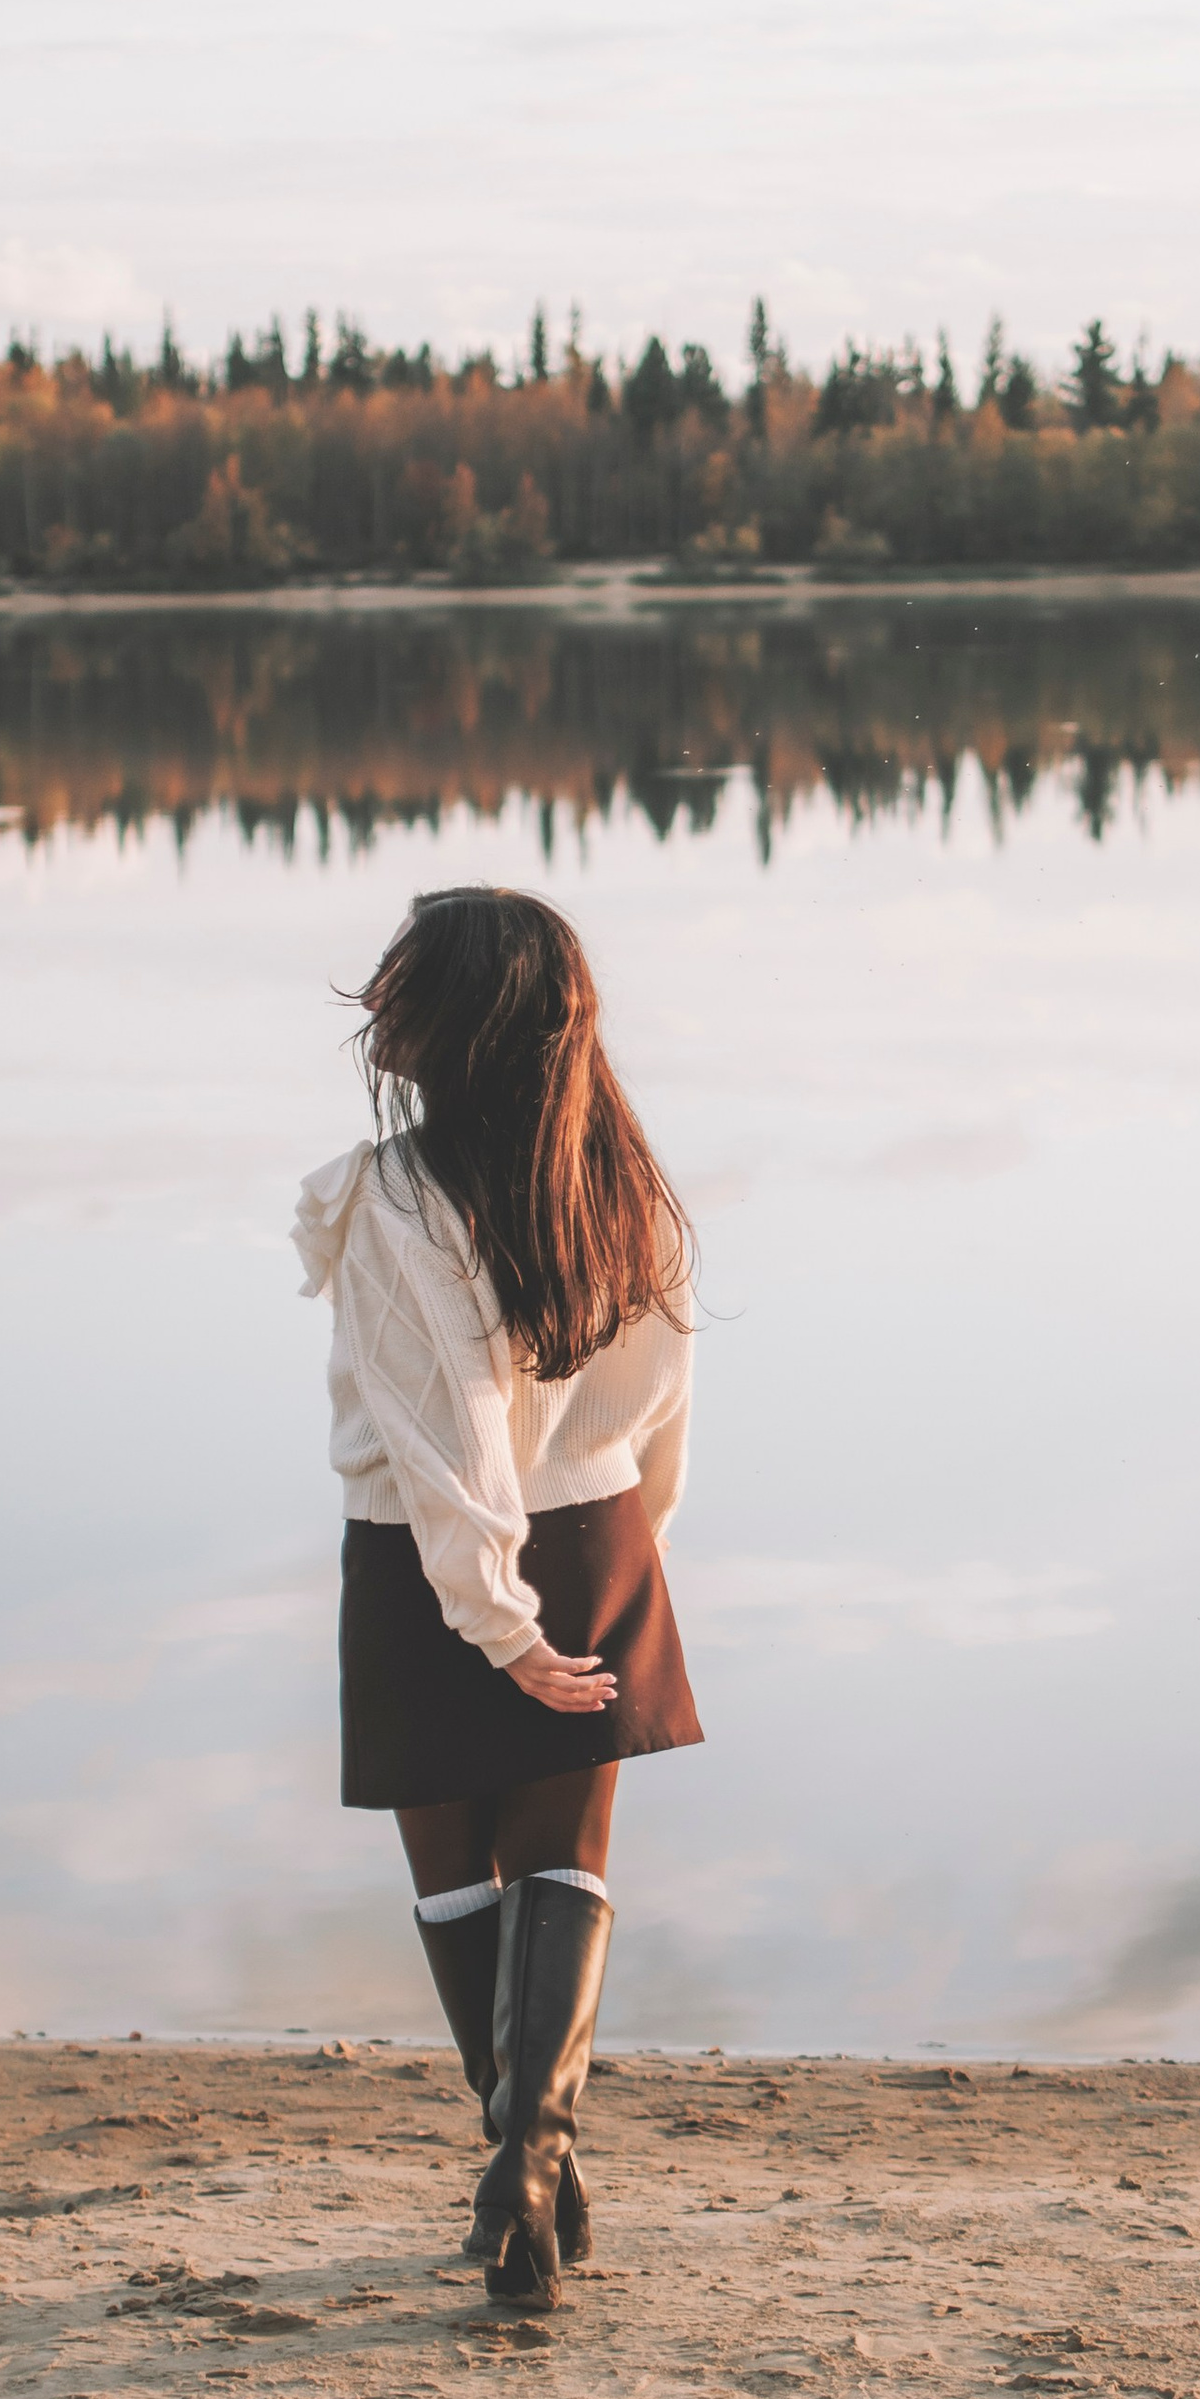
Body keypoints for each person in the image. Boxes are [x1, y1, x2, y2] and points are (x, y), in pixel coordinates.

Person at [293, 887, 701, 2309]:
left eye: (406, 981)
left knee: (460, 1876)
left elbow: (447, 1427)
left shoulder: (398, 1191)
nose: (379, 1001)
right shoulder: (621, 1172)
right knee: (561, 1863)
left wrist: (497, 1623)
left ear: (467, 1019)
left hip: (433, 1556)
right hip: (596, 1535)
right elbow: (666, 1403)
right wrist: (616, 1565)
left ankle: (526, 2158)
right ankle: (535, 2165)